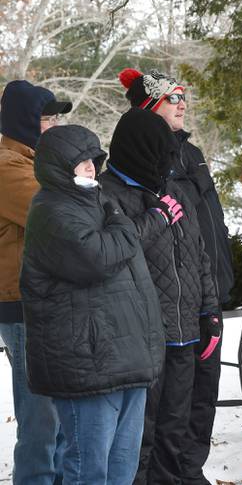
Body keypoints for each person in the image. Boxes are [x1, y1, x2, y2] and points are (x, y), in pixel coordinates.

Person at [20, 124, 164, 485]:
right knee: (89, 469)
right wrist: (124, 225)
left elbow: (119, 249)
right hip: (87, 362)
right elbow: (97, 257)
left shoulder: (99, 202)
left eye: (93, 159)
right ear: (58, 165)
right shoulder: (51, 211)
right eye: (81, 161)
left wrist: (118, 224)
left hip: (124, 356)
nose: (90, 166)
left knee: (122, 467)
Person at [119, 68, 232, 484]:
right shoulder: (141, 163)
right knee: (158, 414)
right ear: (149, 105)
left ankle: (189, 471)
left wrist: (215, 291)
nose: (183, 103)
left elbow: (205, 228)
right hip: (160, 313)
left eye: (184, 96)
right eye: (172, 98)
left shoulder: (193, 154)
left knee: (199, 399)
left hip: (202, 293)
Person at [98, 108, 219, 483]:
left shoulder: (173, 189)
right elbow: (113, 252)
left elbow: (198, 254)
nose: (168, 164)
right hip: (142, 337)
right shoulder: (107, 194)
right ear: (139, 151)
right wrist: (158, 218)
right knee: (139, 433)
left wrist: (210, 312)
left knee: (174, 426)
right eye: (161, 155)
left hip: (184, 330)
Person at [0, 79, 71, 484]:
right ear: (24, 122)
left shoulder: (34, 163)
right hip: (22, 305)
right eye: (47, 118)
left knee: (58, 415)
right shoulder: (9, 167)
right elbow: (55, 214)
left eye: (57, 117)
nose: (55, 126)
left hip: (45, 302)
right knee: (40, 419)